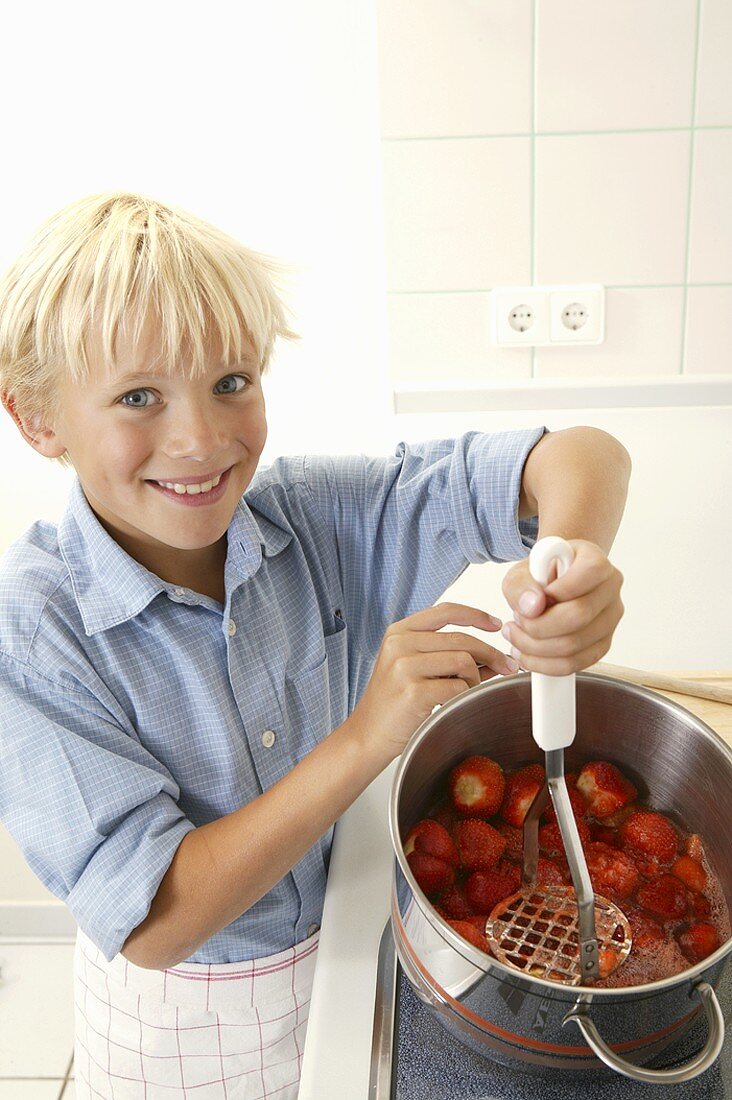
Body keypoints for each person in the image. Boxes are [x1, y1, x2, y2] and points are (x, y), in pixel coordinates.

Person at [0, 192, 631, 1100]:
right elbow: (158, 921)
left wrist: (573, 558)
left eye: (232, 382)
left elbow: (581, 454)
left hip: (343, 955)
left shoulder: (313, 518)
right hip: (179, 1027)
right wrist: (369, 734)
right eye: (140, 396)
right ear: (36, 418)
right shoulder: (33, 629)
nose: (202, 440)